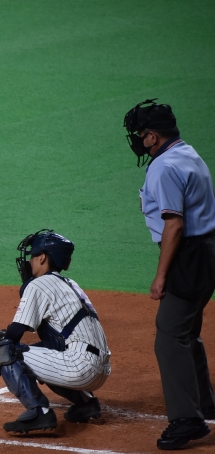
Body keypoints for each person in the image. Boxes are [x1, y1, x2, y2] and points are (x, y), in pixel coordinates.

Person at [123, 99, 215, 450]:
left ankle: (187, 420)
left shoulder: (163, 167)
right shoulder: (188, 153)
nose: (137, 139)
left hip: (189, 256)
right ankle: (204, 403)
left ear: (153, 136)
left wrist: (161, 275)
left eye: (140, 133)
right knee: (186, 331)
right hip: (206, 251)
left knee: (170, 336)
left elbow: (173, 224)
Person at [0, 229, 111, 434]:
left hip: (80, 367)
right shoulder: (70, 284)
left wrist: (1, 341)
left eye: (32, 256)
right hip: (101, 368)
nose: (29, 261)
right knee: (44, 350)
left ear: (42, 258)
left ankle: (39, 412)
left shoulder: (39, 284)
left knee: (7, 351)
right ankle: (86, 403)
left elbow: (16, 332)